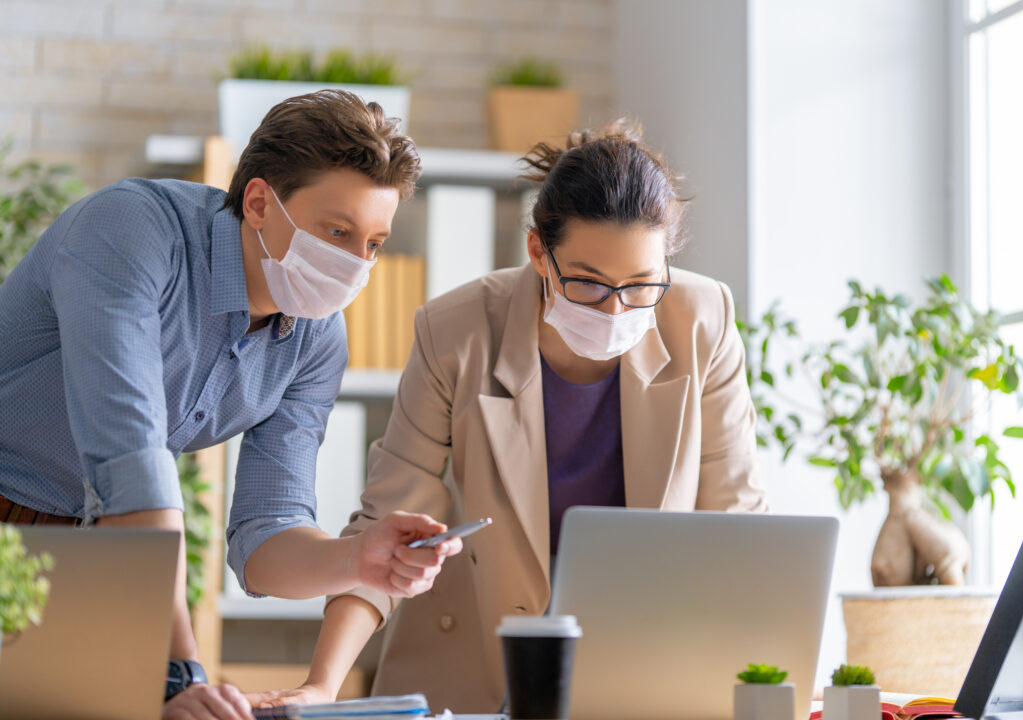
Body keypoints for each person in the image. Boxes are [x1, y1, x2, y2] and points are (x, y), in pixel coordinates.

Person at [251, 120, 769, 714]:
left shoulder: (704, 320)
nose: (616, 308)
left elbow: (738, 523)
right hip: (468, 665)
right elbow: (386, 527)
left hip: (642, 662)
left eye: (642, 285)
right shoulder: (456, 331)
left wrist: (767, 675)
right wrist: (322, 683)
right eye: (589, 284)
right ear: (538, 254)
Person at [0, 90, 462, 720]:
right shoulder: (130, 231)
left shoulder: (314, 334)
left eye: (374, 243)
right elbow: (128, 459)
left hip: (94, 554)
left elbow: (266, 537)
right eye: (337, 231)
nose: (356, 266)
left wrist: (357, 559)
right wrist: (183, 673)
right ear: (258, 202)